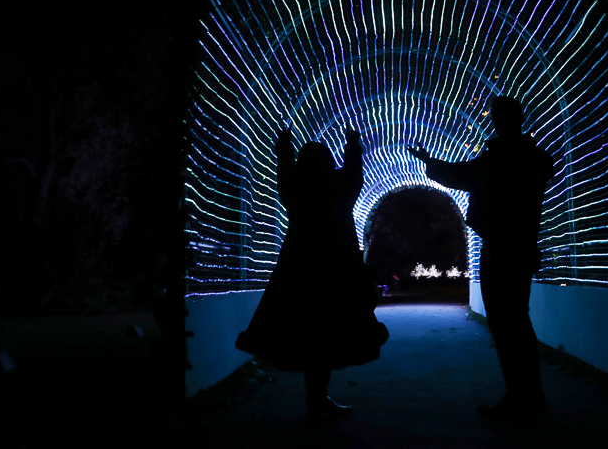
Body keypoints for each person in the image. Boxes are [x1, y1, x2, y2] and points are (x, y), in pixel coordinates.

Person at [407, 96, 557, 426]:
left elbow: (458, 174)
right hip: (523, 246)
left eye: (495, 115)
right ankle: (532, 394)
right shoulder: (534, 158)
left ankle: (518, 396)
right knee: (519, 318)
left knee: (505, 323)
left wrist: (428, 161)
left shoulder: (496, 158)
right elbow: (544, 170)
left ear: (499, 120)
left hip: (500, 246)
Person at [236, 126, 389, 420]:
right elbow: (354, 173)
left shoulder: (296, 190)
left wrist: (284, 148)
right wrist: (352, 143)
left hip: (299, 265)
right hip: (336, 265)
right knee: (330, 330)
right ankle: (318, 398)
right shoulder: (339, 188)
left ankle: (316, 398)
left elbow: (284, 172)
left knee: (304, 329)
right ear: (329, 162)